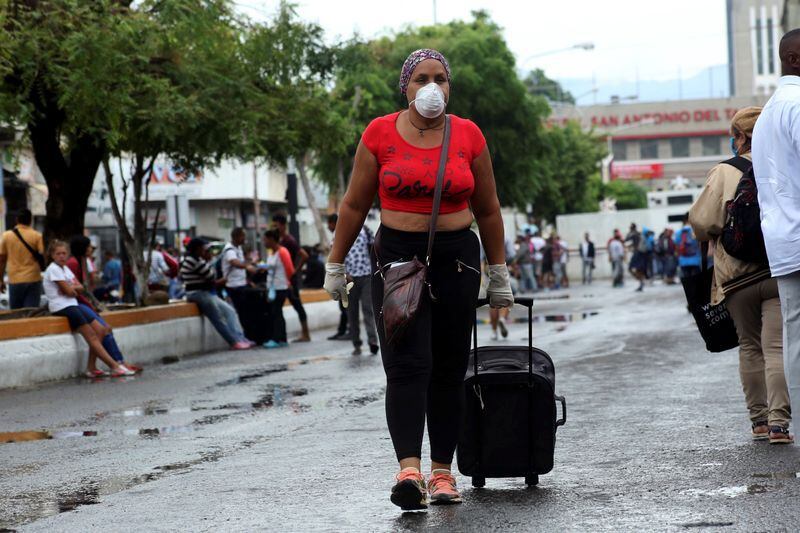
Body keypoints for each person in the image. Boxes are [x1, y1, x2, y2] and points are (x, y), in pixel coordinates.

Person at [323, 48, 513, 510]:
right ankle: (409, 471)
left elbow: (487, 208)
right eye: (422, 78)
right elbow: (353, 205)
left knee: (448, 369)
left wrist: (499, 271)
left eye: (441, 78)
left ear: (450, 86)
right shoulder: (379, 133)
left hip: (458, 262)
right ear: (405, 86)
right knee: (407, 366)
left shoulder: (468, 135)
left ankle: (444, 474)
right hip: (397, 262)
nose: (432, 87)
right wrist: (335, 262)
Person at [690, 106, 792, 444]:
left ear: (741, 137)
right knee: (776, 347)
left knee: (750, 347)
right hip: (778, 269)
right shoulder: (784, 161)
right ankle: (780, 425)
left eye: (733, 135)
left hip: (736, 278)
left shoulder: (724, 171)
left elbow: (702, 223)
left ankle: (759, 422)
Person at [752, 29, 800, 426]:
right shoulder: (797, 104)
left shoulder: (768, 112)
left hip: (783, 242)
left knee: (796, 341)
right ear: (794, 58)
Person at [43, 240, 135, 377]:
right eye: (58, 254)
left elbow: (79, 288)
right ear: (52, 255)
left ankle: (91, 367)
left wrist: (71, 288)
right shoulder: (53, 270)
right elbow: (70, 291)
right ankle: (115, 366)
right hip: (63, 307)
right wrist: (72, 289)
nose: (62, 256)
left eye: (64, 253)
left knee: (101, 330)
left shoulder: (65, 269)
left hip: (73, 304)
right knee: (91, 335)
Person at [180, 238, 253, 351]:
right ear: (198, 248)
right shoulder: (193, 260)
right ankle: (233, 342)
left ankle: (240, 338)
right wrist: (209, 262)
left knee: (230, 311)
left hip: (205, 292)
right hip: (197, 293)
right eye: (204, 248)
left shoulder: (197, 259)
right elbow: (211, 276)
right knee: (217, 317)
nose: (206, 251)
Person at [272, 214, 311, 342]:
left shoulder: (289, 240)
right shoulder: (279, 241)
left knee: (297, 305)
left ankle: (306, 333)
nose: (275, 228)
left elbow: (304, 255)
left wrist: (295, 270)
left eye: (276, 225)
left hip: (290, 280)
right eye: (273, 226)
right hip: (282, 280)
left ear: (283, 225)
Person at [0, 209, 45, 309]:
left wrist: (1, 280)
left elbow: (2, 260)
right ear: (30, 220)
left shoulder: (7, 236)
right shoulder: (37, 236)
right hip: (33, 278)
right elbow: (42, 255)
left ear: (17, 220)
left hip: (14, 279)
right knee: (31, 312)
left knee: (16, 313)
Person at [260, 230, 295, 349]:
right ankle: (282, 338)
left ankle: (277, 338)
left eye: (265, 239)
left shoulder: (282, 251)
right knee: (276, 312)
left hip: (281, 287)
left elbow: (290, 269)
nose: (264, 242)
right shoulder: (271, 253)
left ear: (271, 239)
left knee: (276, 312)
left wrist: (288, 281)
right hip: (273, 287)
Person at [222, 227, 256, 323]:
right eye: (243, 236)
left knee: (245, 312)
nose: (244, 238)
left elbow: (242, 262)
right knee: (241, 312)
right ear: (236, 237)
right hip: (233, 286)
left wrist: (249, 261)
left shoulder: (238, 248)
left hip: (241, 284)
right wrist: (247, 267)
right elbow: (234, 262)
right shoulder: (229, 249)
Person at [326, 214, 350, 341]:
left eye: (329, 223)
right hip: (343, 273)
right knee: (344, 305)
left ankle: (347, 331)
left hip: (343, 274)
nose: (328, 226)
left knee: (345, 305)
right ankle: (343, 330)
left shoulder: (338, 234)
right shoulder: (341, 233)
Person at [674, 214, 702, 279]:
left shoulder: (678, 232)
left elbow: (677, 246)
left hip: (683, 260)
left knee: (687, 280)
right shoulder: (695, 231)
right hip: (695, 260)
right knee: (696, 280)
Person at [625, 224, 647, 292]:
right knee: (639, 270)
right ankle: (641, 283)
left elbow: (626, 240)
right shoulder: (638, 234)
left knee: (630, 269)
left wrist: (629, 233)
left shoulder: (633, 234)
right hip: (641, 254)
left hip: (637, 254)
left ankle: (640, 281)